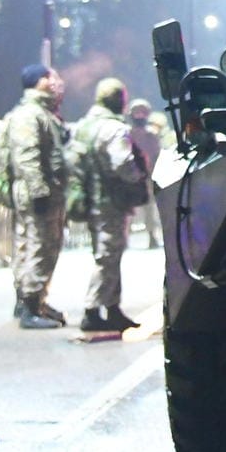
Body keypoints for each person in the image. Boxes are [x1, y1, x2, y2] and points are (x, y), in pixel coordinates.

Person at [69, 79, 149, 332]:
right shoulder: (114, 129)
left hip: (90, 199)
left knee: (106, 253)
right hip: (111, 201)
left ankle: (113, 307)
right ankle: (92, 310)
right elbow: (122, 164)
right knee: (108, 256)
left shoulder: (83, 127)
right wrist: (139, 177)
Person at [0, 64, 70, 330]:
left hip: (38, 189)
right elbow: (27, 156)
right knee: (41, 247)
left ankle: (32, 300)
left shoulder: (41, 113)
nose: (57, 82)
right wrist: (39, 192)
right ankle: (30, 306)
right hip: (38, 191)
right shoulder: (30, 115)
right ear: (41, 81)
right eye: (52, 77)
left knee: (30, 246)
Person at [125, 99, 163, 249]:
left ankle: (152, 235)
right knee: (128, 209)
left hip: (147, 176)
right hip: (130, 175)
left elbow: (157, 155)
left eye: (142, 113)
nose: (139, 116)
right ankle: (125, 237)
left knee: (148, 209)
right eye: (137, 112)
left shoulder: (151, 135)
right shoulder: (126, 133)